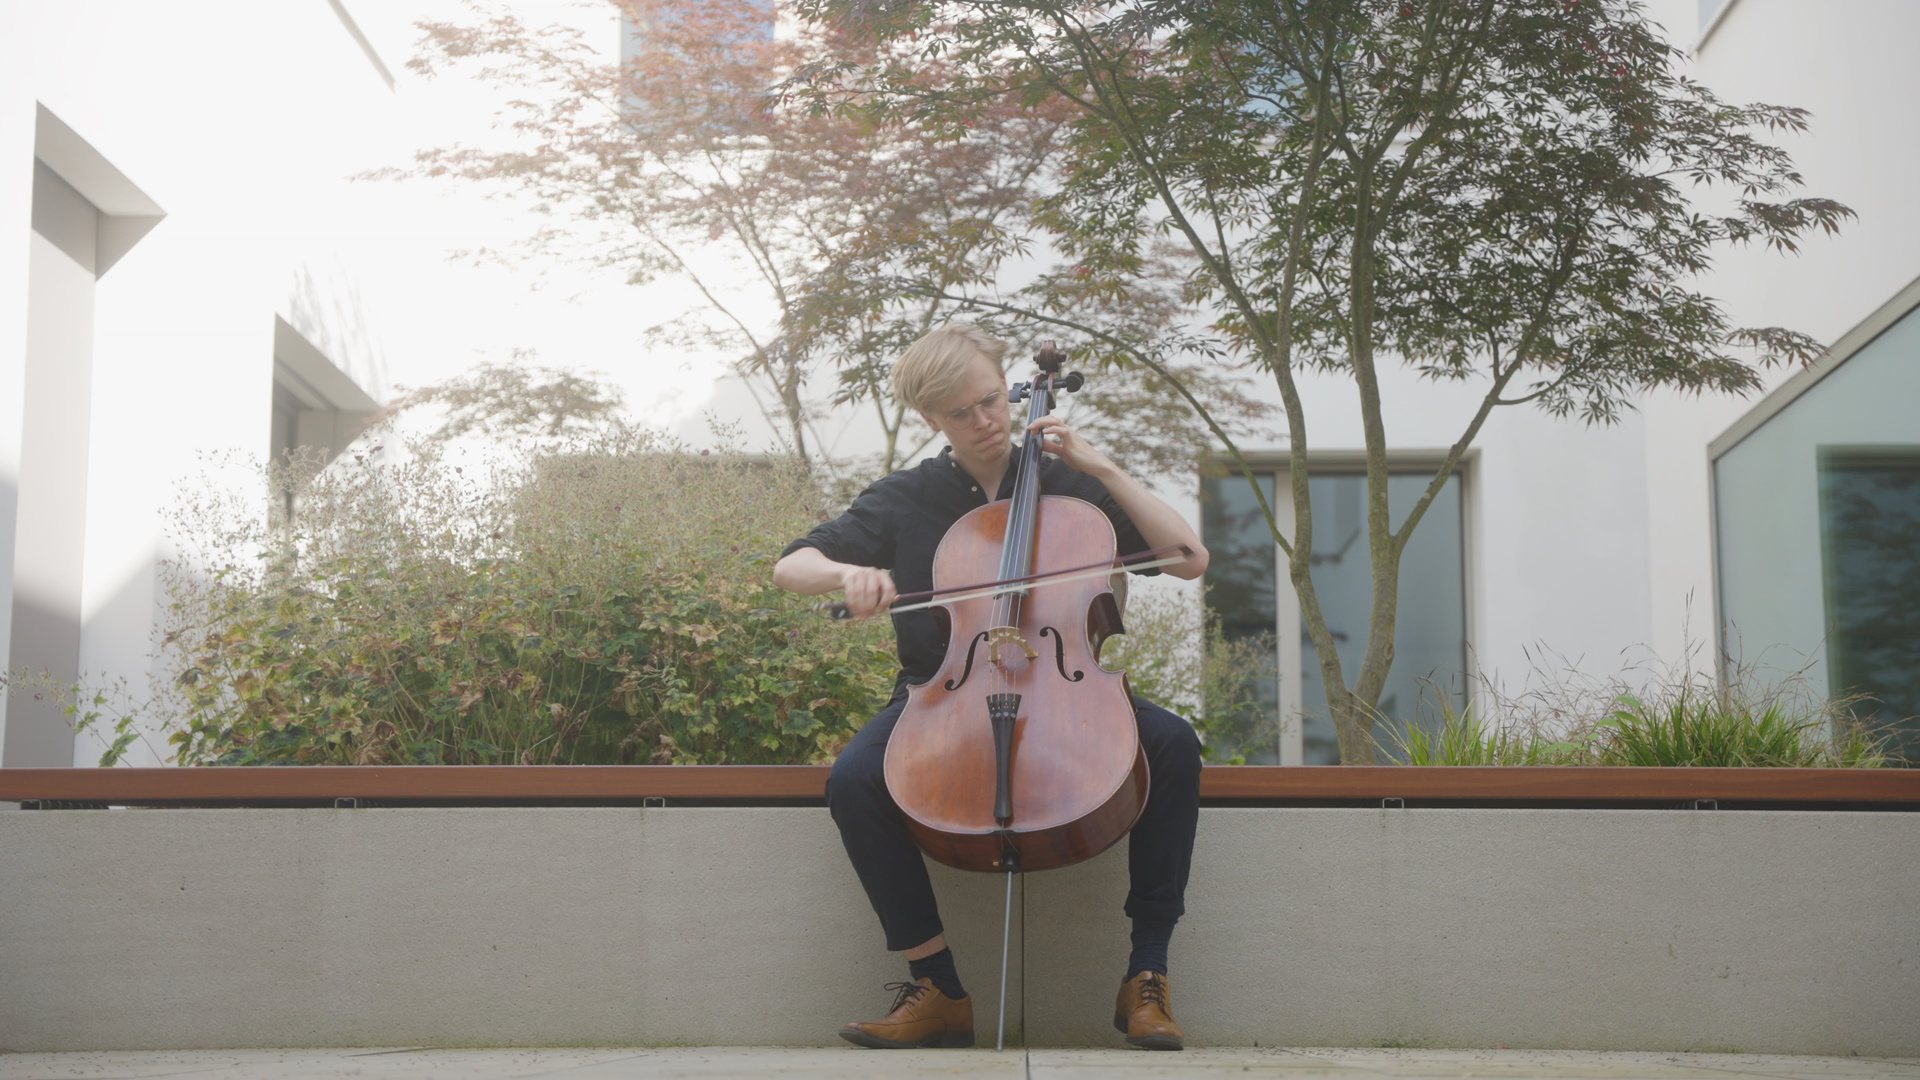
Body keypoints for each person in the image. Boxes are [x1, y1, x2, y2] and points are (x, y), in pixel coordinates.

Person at [771, 323, 1209, 1051]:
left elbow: (1188, 558)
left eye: (990, 400)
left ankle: (1147, 975)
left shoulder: (1071, 482)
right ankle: (938, 985)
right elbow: (792, 566)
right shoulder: (905, 497)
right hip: (941, 694)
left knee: (1171, 745)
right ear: (930, 420)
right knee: (853, 779)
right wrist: (846, 574)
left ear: (1008, 386)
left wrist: (1104, 468)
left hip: (1066, 683)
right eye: (962, 413)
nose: (985, 421)